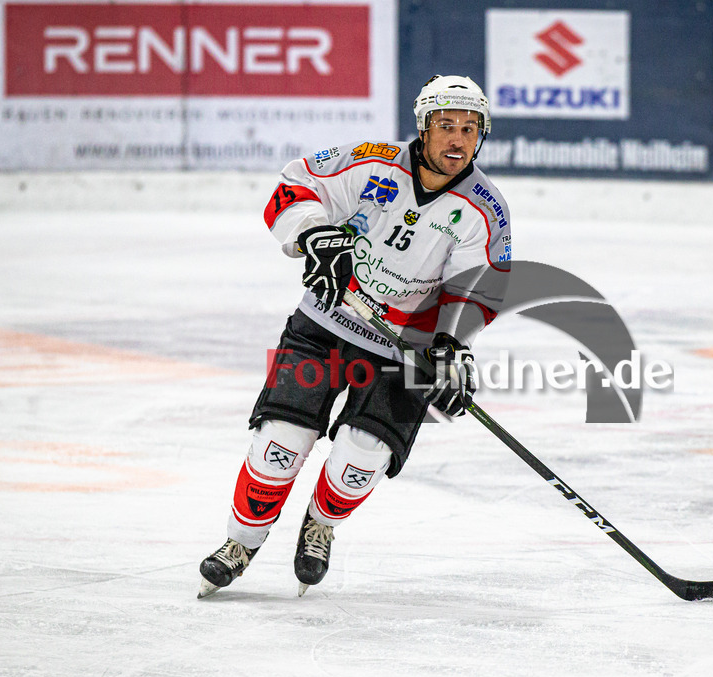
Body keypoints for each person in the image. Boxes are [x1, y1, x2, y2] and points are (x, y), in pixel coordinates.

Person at [198, 75, 512, 598]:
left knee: (362, 454)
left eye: (469, 129)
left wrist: (451, 348)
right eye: (446, 126)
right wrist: (314, 234)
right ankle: (242, 542)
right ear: (423, 127)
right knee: (281, 440)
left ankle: (320, 524)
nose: (457, 139)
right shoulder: (371, 161)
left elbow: (479, 287)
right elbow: (295, 186)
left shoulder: (485, 208)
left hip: (399, 346)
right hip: (324, 321)